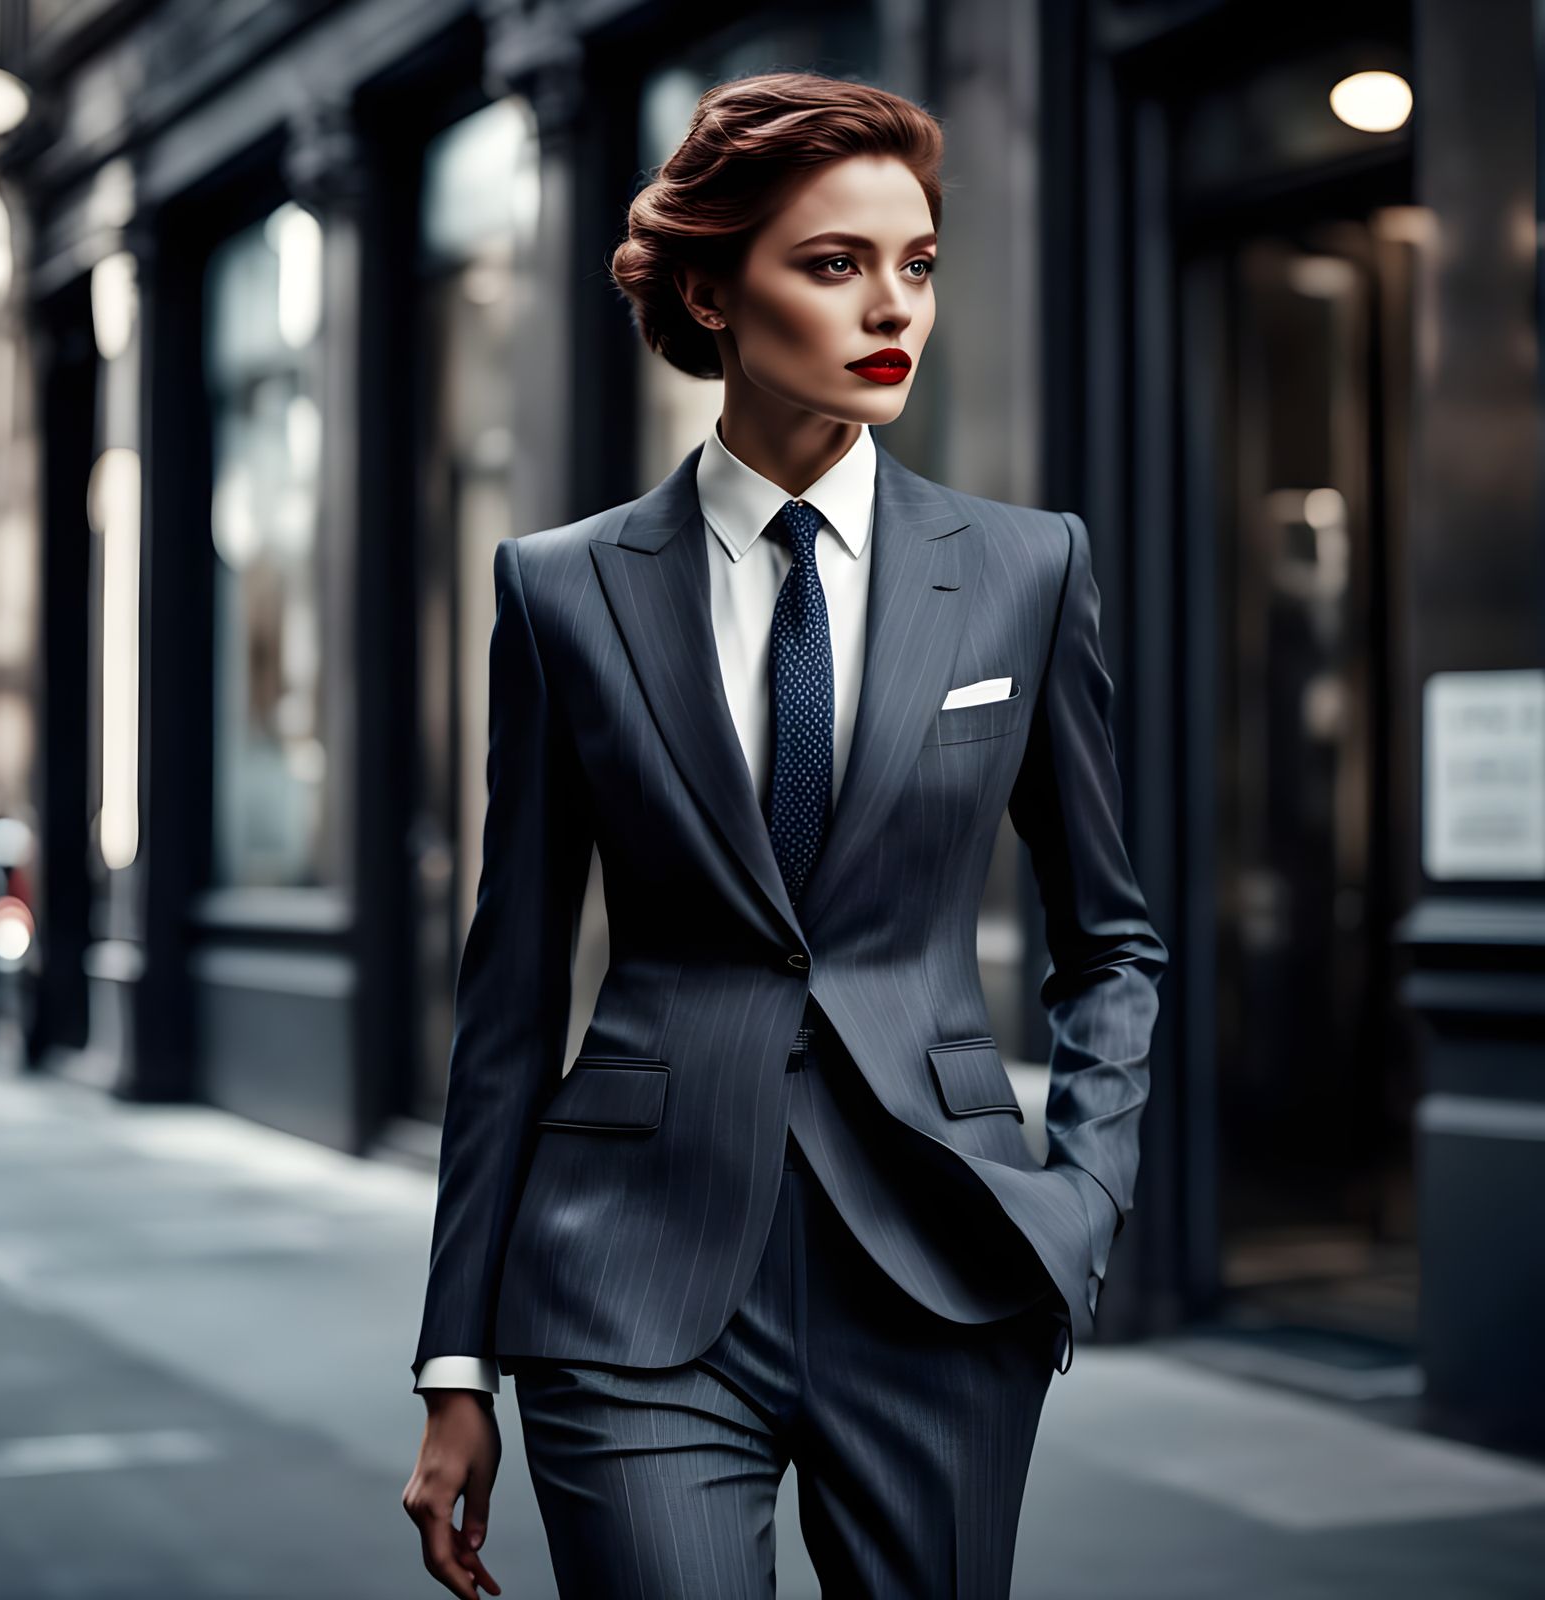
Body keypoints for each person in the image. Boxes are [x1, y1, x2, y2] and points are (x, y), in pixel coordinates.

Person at [402, 69, 1167, 1599]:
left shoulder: (1025, 570)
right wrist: (455, 1355)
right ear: (711, 287)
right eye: (834, 264)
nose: (893, 307)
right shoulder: (564, 592)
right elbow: (509, 998)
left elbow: (1111, 939)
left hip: (943, 1271)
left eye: (918, 264)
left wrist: (1079, 1204)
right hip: (632, 1279)